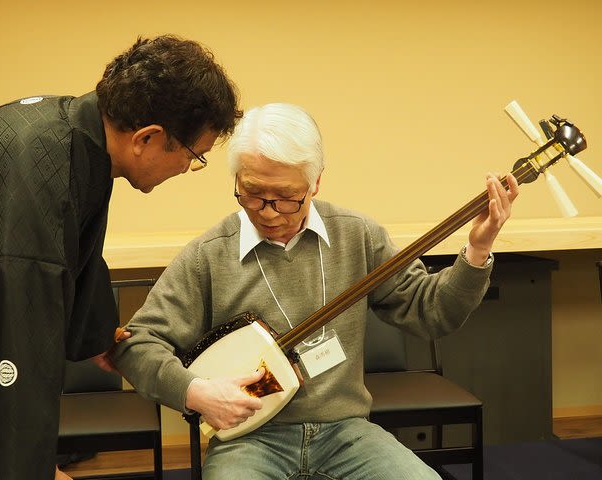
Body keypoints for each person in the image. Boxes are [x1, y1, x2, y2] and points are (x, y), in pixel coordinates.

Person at [0, 35, 241, 480]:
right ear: (148, 138)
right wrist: (34, 467)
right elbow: (19, 340)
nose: (188, 168)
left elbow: (76, 260)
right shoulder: (40, 177)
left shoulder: (75, 137)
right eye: (194, 156)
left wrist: (94, 335)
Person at [111, 102, 519, 479]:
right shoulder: (209, 255)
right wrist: (197, 392)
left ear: (316, 182)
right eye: (252, 194)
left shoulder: (357, 235)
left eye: (287, 197)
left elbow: (431, 313)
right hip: (250, 443)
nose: (268, 212)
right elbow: (137, 344)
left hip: (348, 433)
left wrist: (477, 250)